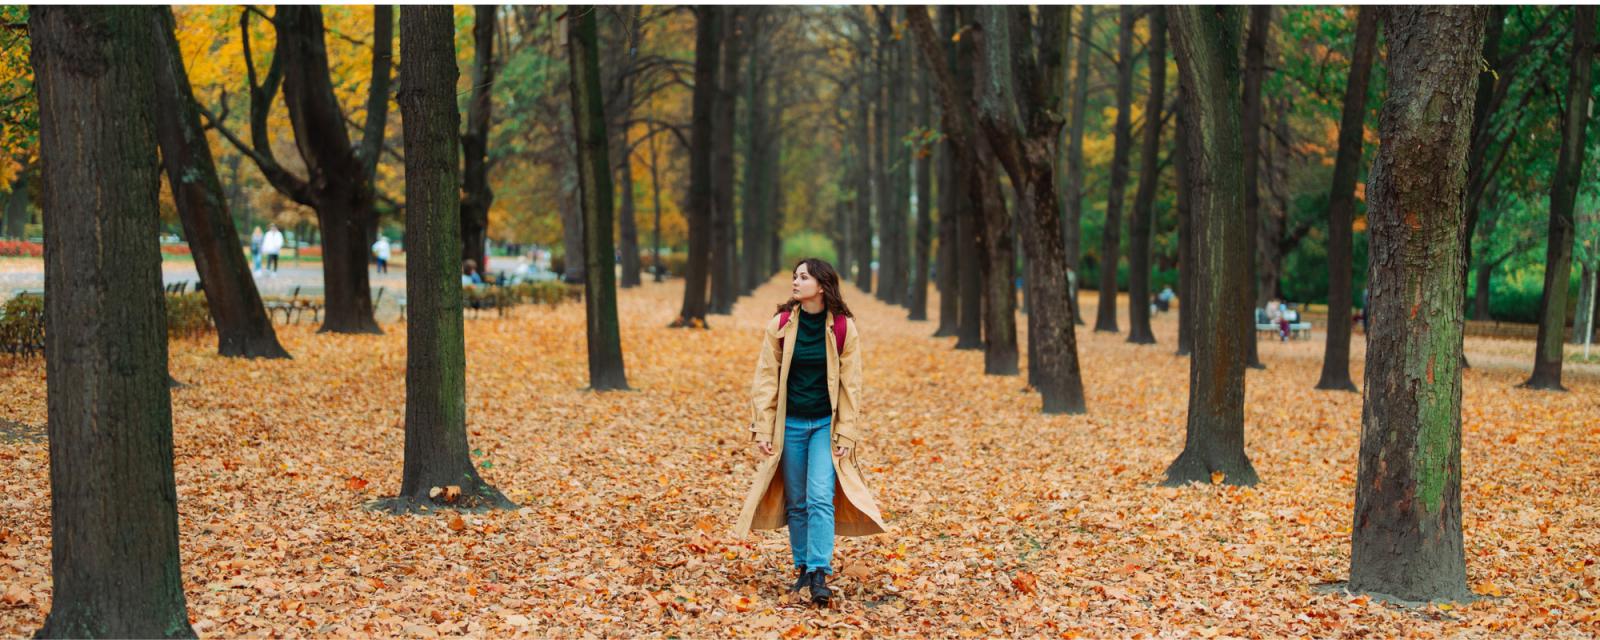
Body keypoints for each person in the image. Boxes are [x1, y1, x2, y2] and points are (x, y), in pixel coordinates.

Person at [735, 258, 887, 607]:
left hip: (823, 424)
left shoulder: (844, 328)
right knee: (798, 501)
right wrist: (762, 427)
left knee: (820, 496)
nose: (796, 281)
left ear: (822, 285)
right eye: (794, 276)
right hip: (789, 425)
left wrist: (846, 434)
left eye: (803, 277)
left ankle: (820, 572)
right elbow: (765, 378)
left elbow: (852, 386)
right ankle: (802, 566)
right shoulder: (782, 324)